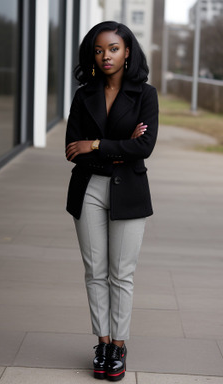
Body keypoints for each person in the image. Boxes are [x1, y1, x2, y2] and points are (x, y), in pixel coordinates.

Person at [65, 21, 158, 381]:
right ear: (93, 53)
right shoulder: (82, 94)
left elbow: (144, 148)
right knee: (95, 272)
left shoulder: (145, 95)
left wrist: (98, 143)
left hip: (129, 193)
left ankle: (120, 345)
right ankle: (102, 342)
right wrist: (121, 147)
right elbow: (73, 151)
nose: (106, 55)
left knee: (122, 274)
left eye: (114, 48)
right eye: (100, 49)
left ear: (127, 52)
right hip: (87, 189)